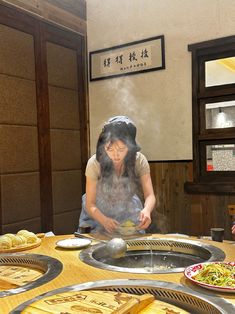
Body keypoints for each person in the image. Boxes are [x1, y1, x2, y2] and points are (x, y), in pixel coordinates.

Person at [79, 115, 156, 234]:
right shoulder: (94, 163)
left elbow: (150, 195)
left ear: (130, 148)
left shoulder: (139, 161)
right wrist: (104, 220)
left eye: (121, 149)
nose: (115, 155)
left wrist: (146, 210)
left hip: (127, 211)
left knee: (132, 246)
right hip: (97, 215)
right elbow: (90, 204)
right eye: (109, 149)